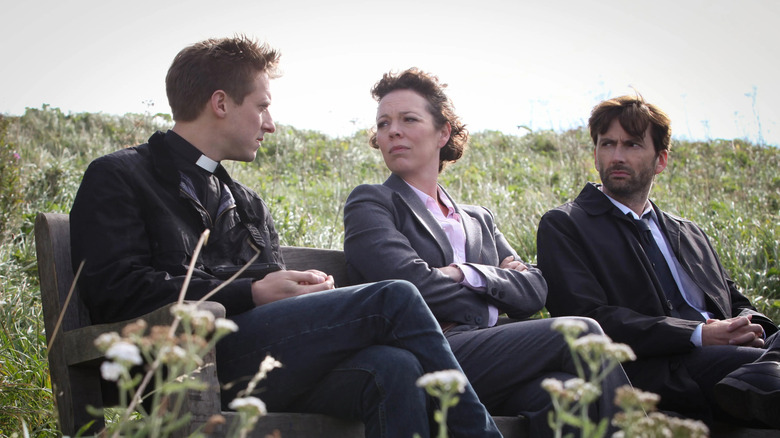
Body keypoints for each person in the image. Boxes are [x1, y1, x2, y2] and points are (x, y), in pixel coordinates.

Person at [69, 36, 503, 438]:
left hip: (263, 360)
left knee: (395, 366)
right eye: (262, 106)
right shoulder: (120, 176)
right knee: (395, 296)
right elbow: (114, 291)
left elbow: (274, 300)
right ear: (220, 103)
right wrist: (251, 292)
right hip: (183, 361)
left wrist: (302, 292)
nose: (270, 124)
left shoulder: (247, 201)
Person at [343, 68, 631, 437]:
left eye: (408, 119)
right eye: (383, 123)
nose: (392, 131)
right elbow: (410, 286)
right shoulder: (372, 202)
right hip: (426, 354)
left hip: (489, 360)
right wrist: (494, 293)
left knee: (563, 394)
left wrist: (466, 273)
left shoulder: (478, 219)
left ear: (443, 132)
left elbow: (534, 291)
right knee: (580, 332)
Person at [536, 94, 780, 428]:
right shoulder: (566, 225)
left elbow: (735, 300)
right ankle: (763, 375)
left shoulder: (688, 232)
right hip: (660, 370)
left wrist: (750, 327)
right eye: (607, 144)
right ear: (595, 155)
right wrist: (698, 334)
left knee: (766, 356)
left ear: (660, 160)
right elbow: (587, 318)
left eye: (632, 145)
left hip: (735, 359)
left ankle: (761, 374)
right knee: (759, 370)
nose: (617, 156)